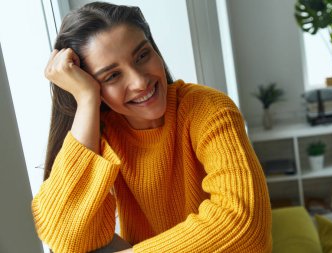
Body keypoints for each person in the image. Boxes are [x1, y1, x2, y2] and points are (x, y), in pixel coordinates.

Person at [31, 2, 272, 253]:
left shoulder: (208, 109)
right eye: (112, 76)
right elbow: (65, 238)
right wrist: (87, 101)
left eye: (142, 55)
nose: (140, 81)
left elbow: (245, 226)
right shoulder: (103, 132)